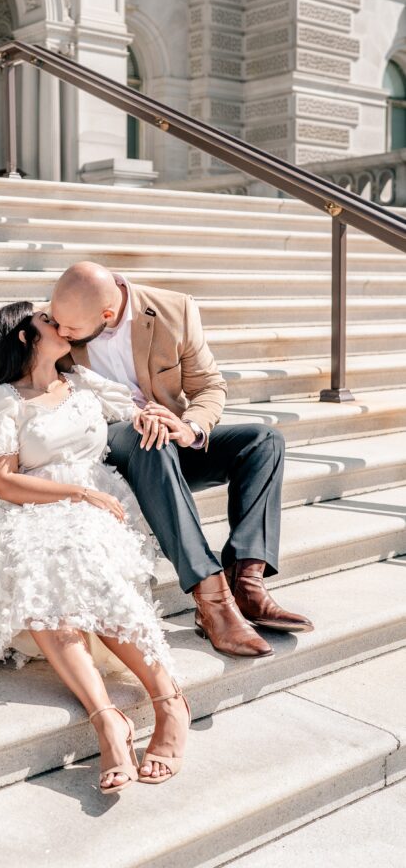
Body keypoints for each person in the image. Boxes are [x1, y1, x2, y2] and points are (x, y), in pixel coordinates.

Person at [0, 301, 191, 793]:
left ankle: (168, 700)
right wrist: (75, 492)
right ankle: (108, 719)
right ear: (24, 337)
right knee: (39, 570)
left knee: (81, 560)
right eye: (47, 319)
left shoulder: (84, 382)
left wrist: (151, 419)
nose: (62, 322)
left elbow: (140, 408)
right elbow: (3, 482)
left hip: (100, 503)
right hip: (34, 506)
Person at [50, 263, 313, 659]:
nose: (61, 334)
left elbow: (209, 386)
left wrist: (190, 427)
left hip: (171, 438)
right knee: (148, 435)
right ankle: (211, 599)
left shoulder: (175, 310)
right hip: (110, 441)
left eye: (70, 330)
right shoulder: (62, 318)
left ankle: (247, 582)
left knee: (264, 440)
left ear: (107, 315)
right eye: (58, 324)